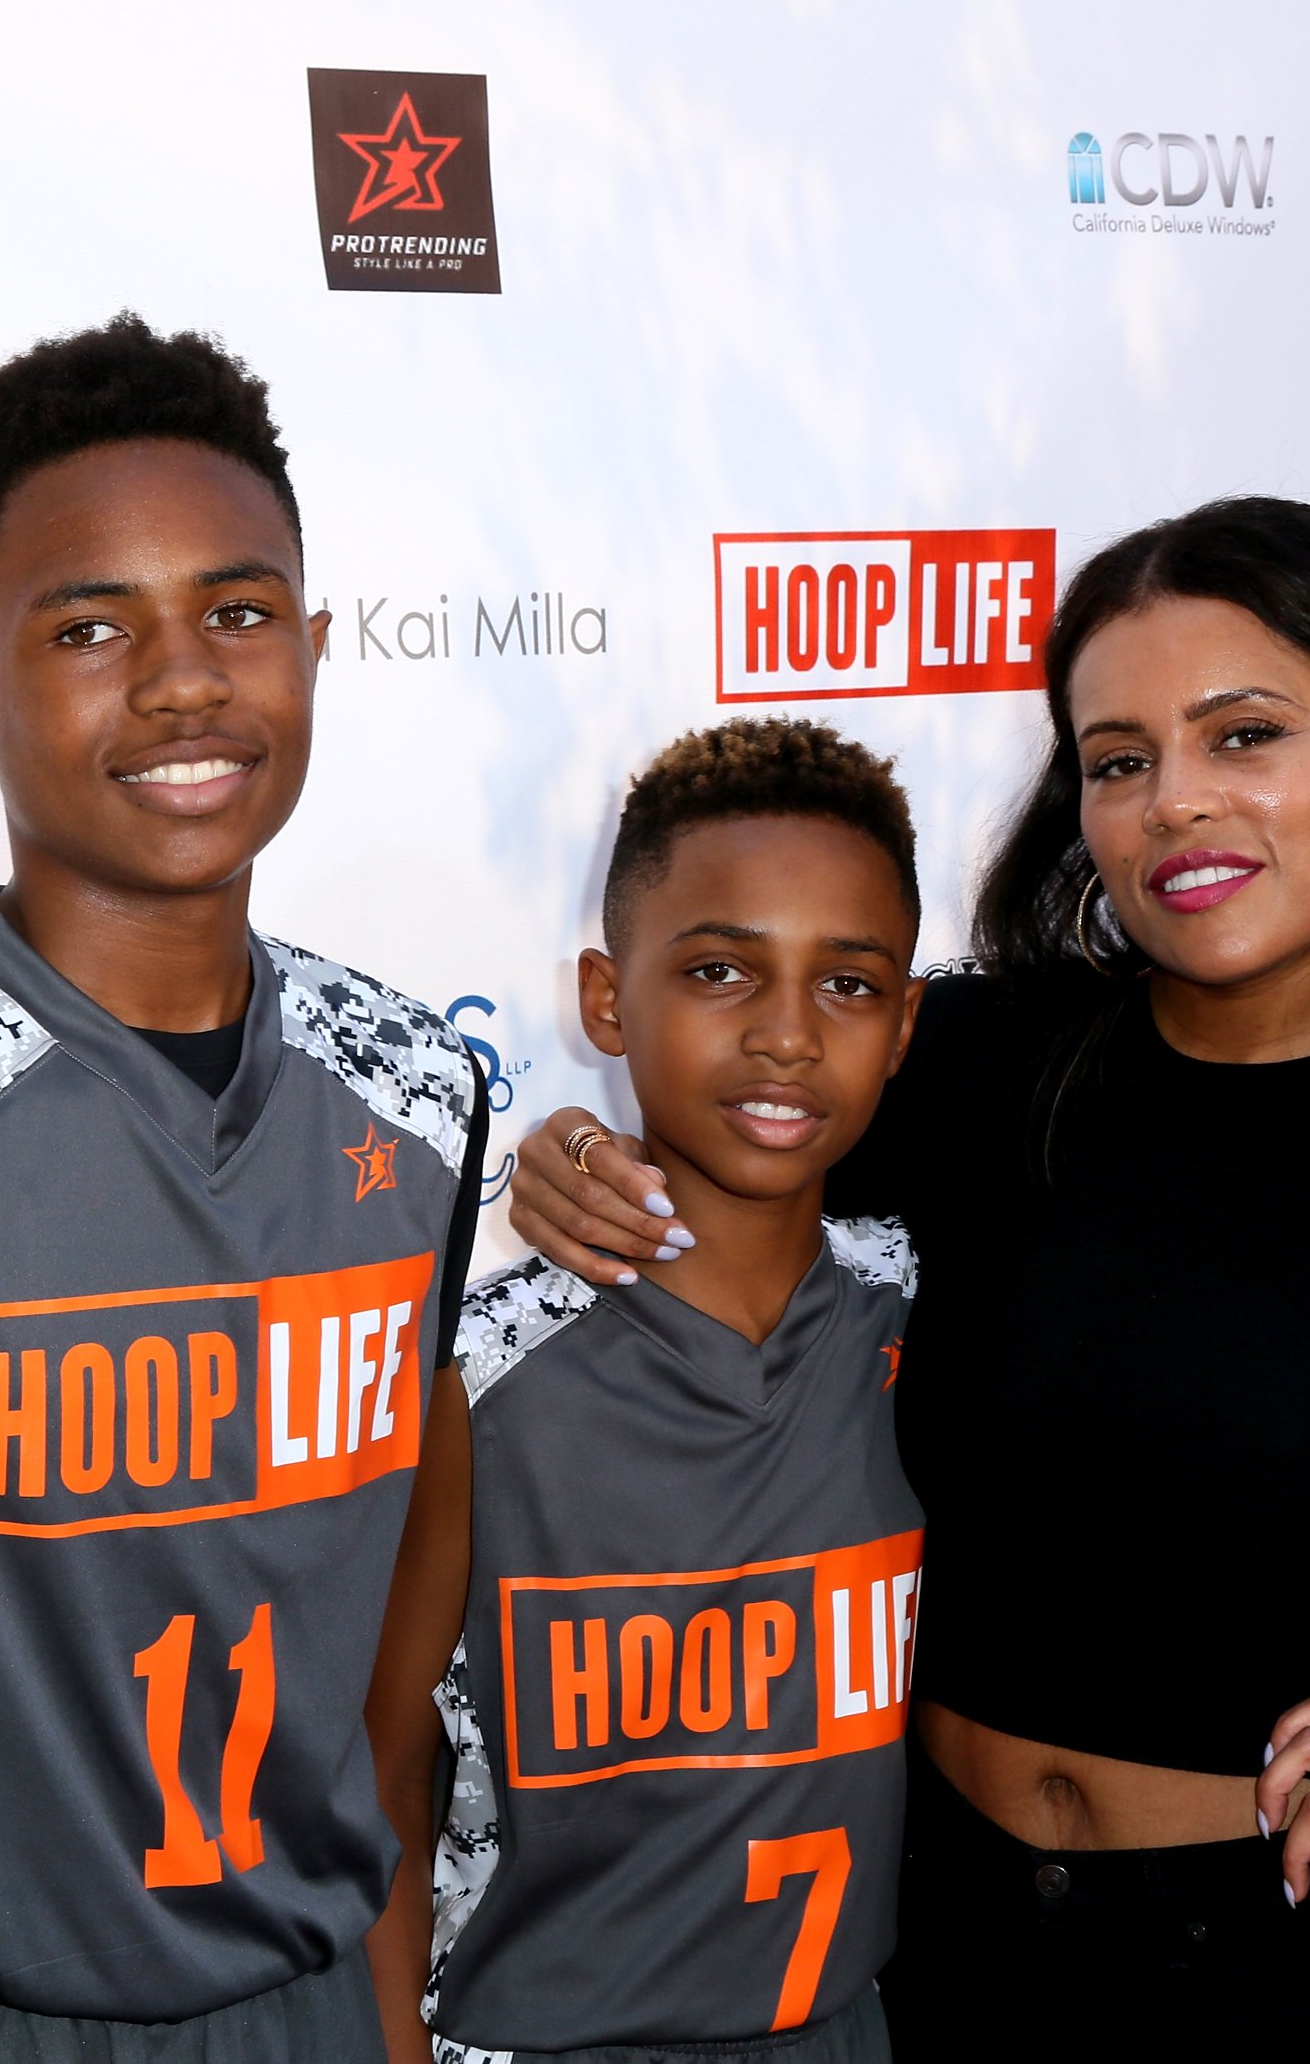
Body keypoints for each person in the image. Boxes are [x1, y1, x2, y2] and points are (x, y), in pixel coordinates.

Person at [505, 497, 1310, 2060]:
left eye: (1245, 735)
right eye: (1121, 761)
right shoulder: (976, 1072)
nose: (1174, 805)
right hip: (958, 1960)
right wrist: (574, 1154)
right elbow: (735, 1126)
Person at [0, 313, 490, 2061]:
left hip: (318, 2004)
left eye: (238, 610)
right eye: (87, 627)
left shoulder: (424, 1093)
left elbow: (392, 1626)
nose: (185, 679)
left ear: (313, 643)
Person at [370, 719, 928, 2064]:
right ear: (608, 999)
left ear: (907, 1023)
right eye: (722, 969)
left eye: (846, 985)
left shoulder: (917, 1307)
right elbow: (379, 1770)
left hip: (843, 2028)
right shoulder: (475, 1374)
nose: (787, 1035)